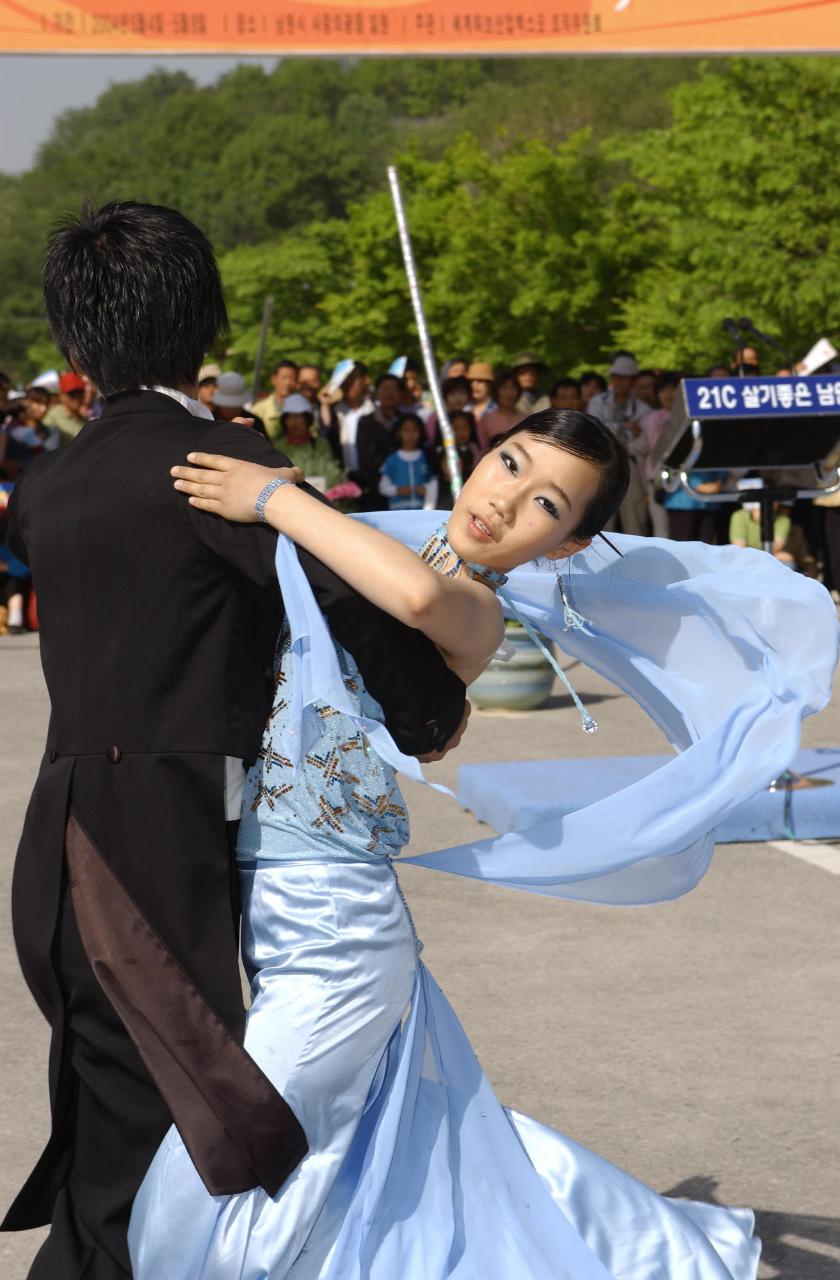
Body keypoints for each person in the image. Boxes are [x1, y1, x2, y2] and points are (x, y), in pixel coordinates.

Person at [131, 404, 823, 1275]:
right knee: (351, 1150)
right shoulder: (371, 550)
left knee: (219, 1157)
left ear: (565, 547)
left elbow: (417, 596)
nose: (503, 498)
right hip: (276, 907)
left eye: (545, 504)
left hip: (336, 930)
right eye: (508, 463)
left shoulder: (472, 610)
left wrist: (272, 492)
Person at [0, 200, 468, 1280]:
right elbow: (339, 594)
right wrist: (429, 712)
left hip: (69, 824)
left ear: (74, 350)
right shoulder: (221, 466)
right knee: (195, 1115)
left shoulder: (51, 482)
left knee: (119, 1097)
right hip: (172, 838)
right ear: (205, 326)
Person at [587, 354, 651, 535]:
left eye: (625, 378)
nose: (620, 382)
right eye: (617, 377)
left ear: (633, 381)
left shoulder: (643, 408)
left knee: (635, 520)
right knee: (601, 521)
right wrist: (627, 429)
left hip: (631, 464)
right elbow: (597, 432)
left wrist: (621, 431)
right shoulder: (597, 402)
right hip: (602, 463)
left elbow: (644, 444)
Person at [275, 392, 344, 492]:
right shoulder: (278, 446)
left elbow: (332, 473)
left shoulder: (321, 444)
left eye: (297, 417)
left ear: (307, 419)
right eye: (289, 417)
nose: (293, 422)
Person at [356, 373, 403, 509]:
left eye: (393, 388)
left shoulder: (407, 421)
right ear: (377, 393)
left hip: (404, 488)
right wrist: (395, 468)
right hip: (374, 489)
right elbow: (367, 457)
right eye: (384, 388)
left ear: (401, 393)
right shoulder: (366, 422)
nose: (389, 393)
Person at [378, 413, 437, 511]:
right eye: (406, 430)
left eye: (414, 430)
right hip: (397, 511)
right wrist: (398, 490)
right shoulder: (392, 459)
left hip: (423, 510)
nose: (411, 434)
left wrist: (426, 489)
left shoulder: (427, 457)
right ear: (398, 433)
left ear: (421, 432)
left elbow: (433, 482)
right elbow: (383, 487)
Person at [434, 407, 480, 508]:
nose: (461, 432)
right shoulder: (442, 450)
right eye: (456, 428)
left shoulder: (473, 450)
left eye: (465, 428)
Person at [476, 369, 526, 452]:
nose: (509, 393)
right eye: (504, 388)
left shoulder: (526, 419)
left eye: (513, 388)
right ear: (496, 392)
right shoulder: (486, 419)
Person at [251, 360, 299, 442]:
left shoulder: (302, 409)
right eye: (284, 378)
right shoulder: (258, 410)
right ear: (274, 379)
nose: (287, 383)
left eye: (292, 378)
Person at [43, 370, 87, 442]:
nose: (76, 397)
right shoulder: (55, 414)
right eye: (71, 394)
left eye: (79, 392)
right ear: (61, 395)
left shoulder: (78, 414)